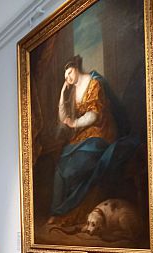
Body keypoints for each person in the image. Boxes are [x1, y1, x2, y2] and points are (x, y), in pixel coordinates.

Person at [48, 55, 138, 223]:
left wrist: (75, 123)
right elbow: (63, 117)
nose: (67, 78)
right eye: (65, 76)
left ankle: (69, 211)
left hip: (100, 133)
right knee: (61, 166)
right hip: (83, 136)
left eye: (69, 73)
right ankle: (58, 212)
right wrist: (62, 92)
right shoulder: (73, 91)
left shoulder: (94, 83)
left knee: (74, 168)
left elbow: (94, 115)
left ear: (75, 67)